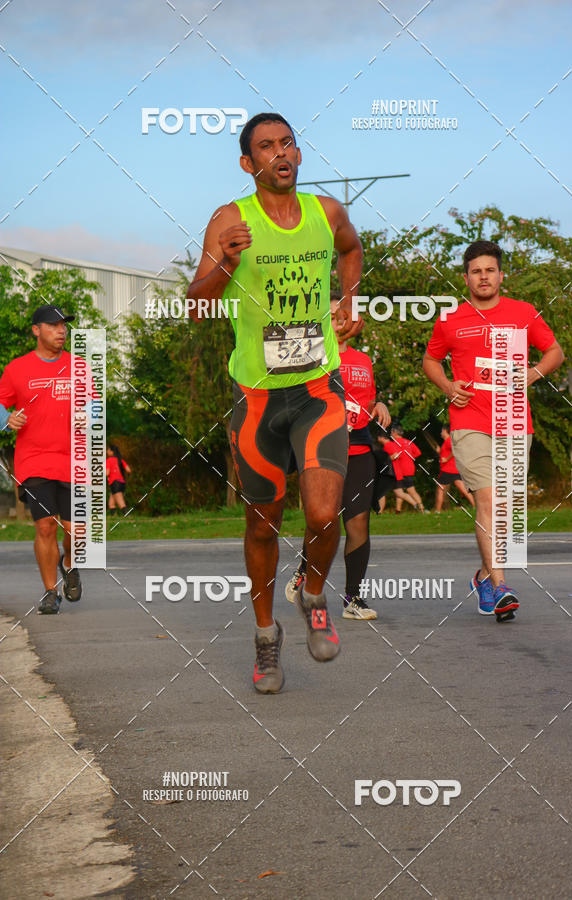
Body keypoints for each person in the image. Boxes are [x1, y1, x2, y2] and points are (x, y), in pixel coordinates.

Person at [186, 112, 363, 693]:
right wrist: (227, 263)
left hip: (318, 389)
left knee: (323, 515)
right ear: (248, 163)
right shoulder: (230, 220)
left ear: (299, 155)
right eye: (266, 146)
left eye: (287, 143)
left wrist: (348, 301)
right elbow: (196, 305)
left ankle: (313, 594)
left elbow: (352, 249)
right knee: (262, 526)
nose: (280, 153)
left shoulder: (326, 213)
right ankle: (266, 636)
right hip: (258, 399)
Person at [423, 239, 564, 617]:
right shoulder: (451, 319)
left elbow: (555, 352)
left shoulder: (524, 312)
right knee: (488, 500)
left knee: (505, 507)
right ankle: (500, 586)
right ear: (465, 278)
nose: (483, 277)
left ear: (501, 275)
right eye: (476, 271)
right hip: (469, 421)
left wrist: (533, 374)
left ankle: (485, 576)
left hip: (514, 419)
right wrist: (448, 387)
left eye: (489, 270)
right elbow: (430, 361)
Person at [285, 299, 391, 621]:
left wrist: (379, 405)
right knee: (324, 519)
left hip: (359, 448)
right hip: (322, 447)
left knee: (358, 523)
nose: (338, 321)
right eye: (330, 316)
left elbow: (366, 400)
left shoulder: (363, 359)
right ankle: (305, 568)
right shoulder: (310, 355)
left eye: (343, 316)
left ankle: (352, 599)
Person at [0, 306, 83, 613]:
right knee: (46, 525)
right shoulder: (17, 369)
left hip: (74, 461)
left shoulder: (79, 367)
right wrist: (7, 419)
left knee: (76, 531)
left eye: (64, 326)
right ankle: (50, 591)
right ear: (36, 330)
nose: (61, 331)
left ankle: (69, 563)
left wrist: (90, 417)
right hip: (34, 459)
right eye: (53, 325)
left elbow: (94, 405)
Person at [434, 424, 474, 512]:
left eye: (441, 431)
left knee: (440, 489)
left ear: (445, 431)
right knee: (463, 489)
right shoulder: (447, 441)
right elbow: (446, 454)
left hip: (447, 470)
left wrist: (447, 459)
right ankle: (475, 506)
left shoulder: (448, 441)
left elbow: (455, 450)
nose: (440, 433)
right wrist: (439, 452)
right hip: (454, 469)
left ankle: (437, 511)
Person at [106, 443, 132, 515]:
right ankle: (113, 517)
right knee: (111, 504)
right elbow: (129, 470)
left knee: (121, 503)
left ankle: (129, 517)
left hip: (115, 483)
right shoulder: (120, 460)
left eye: (108, 450)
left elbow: (107, 473)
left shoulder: (108, 460)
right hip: (122, 483)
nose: (107, 451)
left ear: (112, 452)